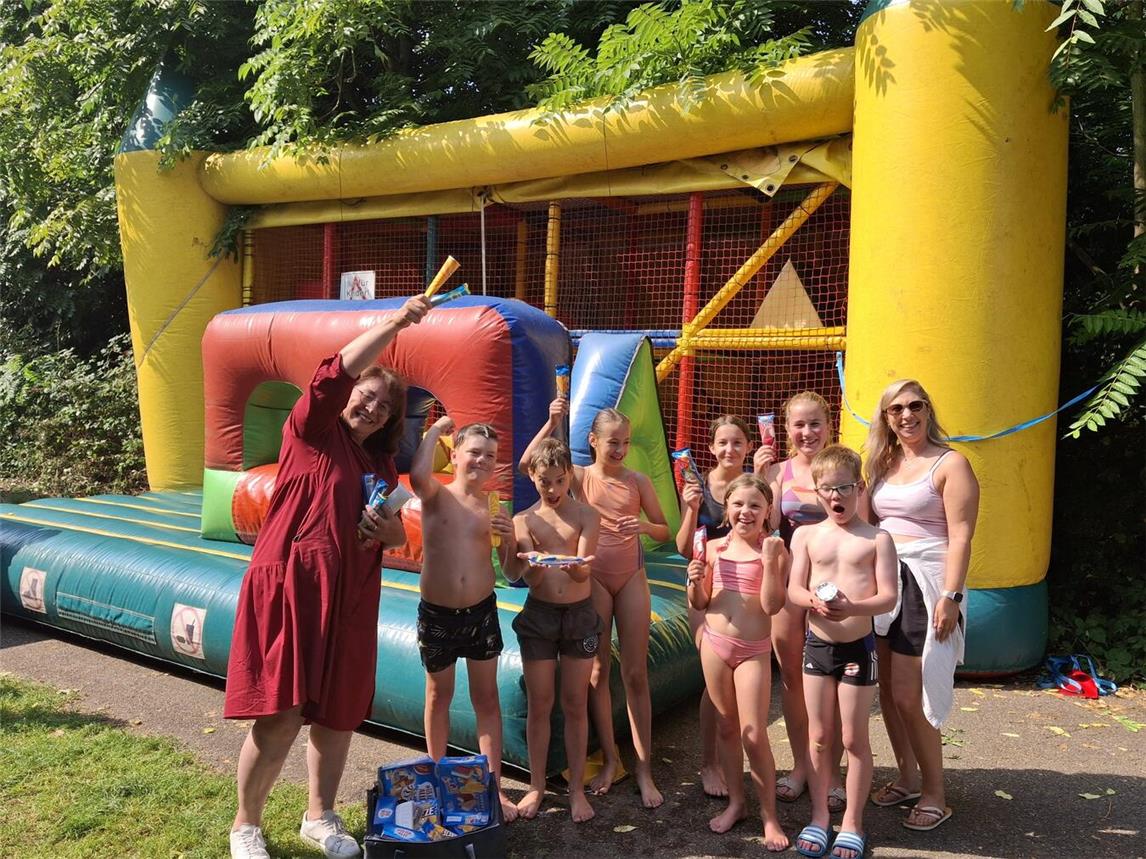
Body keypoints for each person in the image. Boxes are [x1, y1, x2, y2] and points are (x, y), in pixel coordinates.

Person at [224, 295, 430, 859]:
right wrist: (394, 323)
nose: (371, 408)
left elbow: (388, 535)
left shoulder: (381, 468)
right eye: (365, 396)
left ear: (390, 420)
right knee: (280, 712)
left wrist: (388, 533)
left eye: (383, 407)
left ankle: (319, 816)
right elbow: (331, 374)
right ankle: (246, 825)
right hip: (295, 585)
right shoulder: (311, 430)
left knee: (338, 714)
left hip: (352, 597)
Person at [521, 400, 671, 808]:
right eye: (612, 443)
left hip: (631, 577)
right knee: (598, 671)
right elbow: (528, 465)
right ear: (592, 441)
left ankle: (644, 768)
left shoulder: (637, 480)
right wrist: (551, 421)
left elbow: (663, 530)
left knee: (637, 673)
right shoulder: (580, 477)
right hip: (593, 580)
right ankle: (610, 759)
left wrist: (641, 524)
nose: (620, 450)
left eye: (625, 442)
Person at [864, 379, 979, 833]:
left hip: (927, 584)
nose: (906, 415)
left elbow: (962, 535)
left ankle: (936, 793)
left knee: (913, 696)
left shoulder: (952, 464)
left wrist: (951, 596)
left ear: (928, 410)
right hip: (886, 582)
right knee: (890, 693)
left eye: (915, 406)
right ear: (886, 419)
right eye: (896, 409)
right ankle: (909, 778)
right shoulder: (883, 463)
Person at [788, 445, 898, 859]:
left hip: (857, 648)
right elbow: (793, 589)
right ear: (816, 492)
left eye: (845, 488)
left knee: (853, 738)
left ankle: (852, 821)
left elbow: (888, 597)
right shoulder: (806, 535)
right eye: (827, 489)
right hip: (817, 647)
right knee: (819, 737)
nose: (836, 497)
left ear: (860, 488)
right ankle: (819, 817)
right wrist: (811, 602)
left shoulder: (877, 539)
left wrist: (853, 607)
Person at [409, 418, 519, 823]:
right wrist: (437, 429)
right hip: (437, 614)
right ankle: (436, 778)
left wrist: (509, 539)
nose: (482, 461)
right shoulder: (437, 494)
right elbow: (418, 474)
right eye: (474, 452)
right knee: (438, 695)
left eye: (489, 456)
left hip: (480, 612)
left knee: (486, 699)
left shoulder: (494, 506)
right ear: (455, 456)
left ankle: (494, 788)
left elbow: (510, 572)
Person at [686, 474, 789, 851]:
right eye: (739, 504)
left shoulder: (775, 549)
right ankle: (737, 803)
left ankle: (770, 817)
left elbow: (772, 606)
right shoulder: (713, 548)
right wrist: (694, 581)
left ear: (768, 512)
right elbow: (700, 603)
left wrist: (772, 564)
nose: (746, 512)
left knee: (753, 733)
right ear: (727, 508)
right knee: (726, 728)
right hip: (715, 643)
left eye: (755, 506)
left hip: (752, 651)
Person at [504, 438, 601, 822]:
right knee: (540, 703)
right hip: (540, 615)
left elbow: (583, 570)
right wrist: (534, 563)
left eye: (559, 481)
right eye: (544, 481)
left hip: (578, 614)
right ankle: (537, 786)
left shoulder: (586, 516)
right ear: (532, 476)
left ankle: (576, 789)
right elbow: (527, 577)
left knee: (575, 703)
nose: (552, 489)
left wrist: (572, 563)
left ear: (569, 476)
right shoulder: (523, 520)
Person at [760, 392, 847, 811]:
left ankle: (830, 770)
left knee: (833, 681)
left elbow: (856, 522)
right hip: (790, 583)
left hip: (834, 585)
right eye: (799, 424)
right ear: (786, 428)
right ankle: (800, 766)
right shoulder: (778, 470)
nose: (807, 432)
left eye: (815, 423)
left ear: (828, 424)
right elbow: (771, 527)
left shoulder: (843, 468)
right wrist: (764, 478)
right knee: (793, 679)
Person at [673, 415, 757, 798]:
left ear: (748, 447)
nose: (730, 449)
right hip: (707, 587)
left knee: (743, 681)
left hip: (746, 592)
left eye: (737, 442)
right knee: (713, 679)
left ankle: (735, 759)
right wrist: (690, 508)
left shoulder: (755, 484)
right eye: (722, 443)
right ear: (711, 448)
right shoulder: (698, 485)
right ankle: (709, 763)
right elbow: (681, 546)